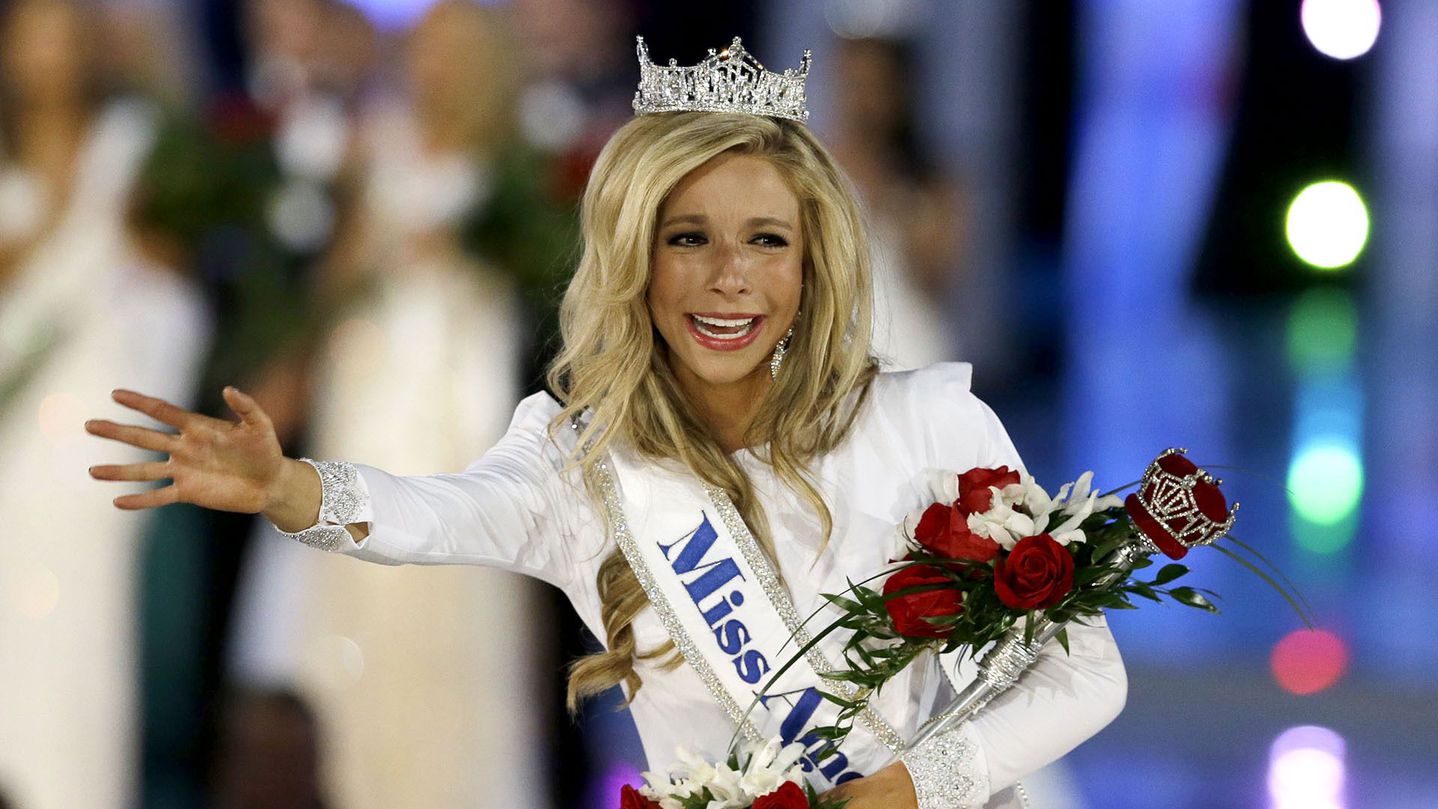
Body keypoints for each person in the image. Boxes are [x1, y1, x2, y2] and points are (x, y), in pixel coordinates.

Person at [87, 38, 1126, 809]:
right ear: (636, 257)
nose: (729, 276)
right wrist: (288, 487)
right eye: (688, 237)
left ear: (813, 263)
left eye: (766, 240)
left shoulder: (932, 424)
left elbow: (1086, 674)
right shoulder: (576, 457)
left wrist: (908, 787)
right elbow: (437, 512)